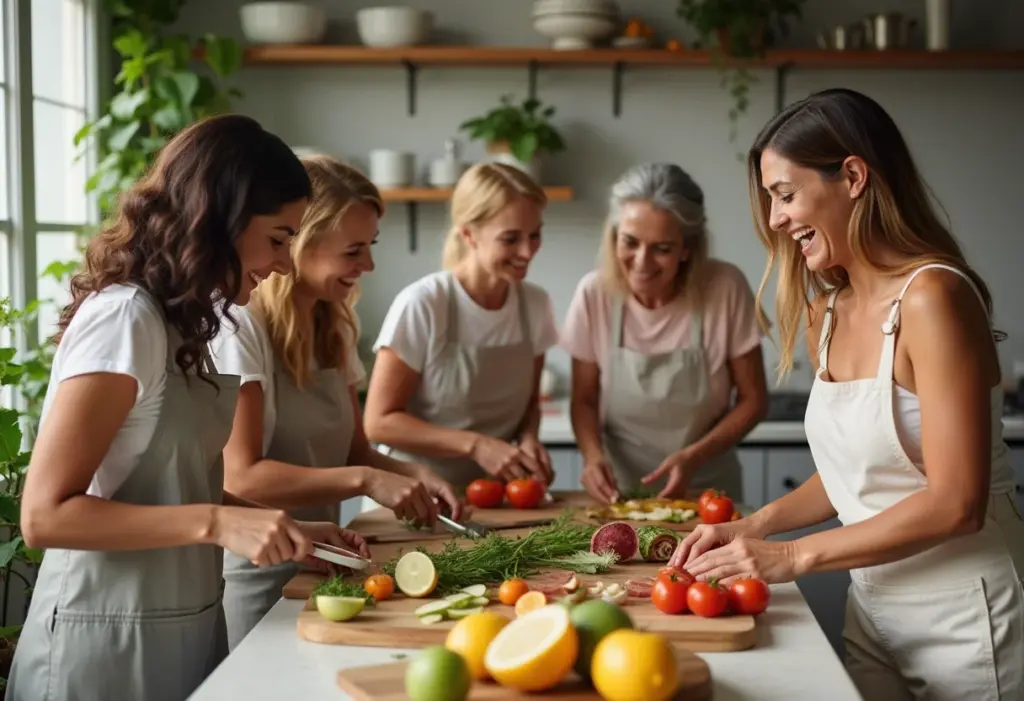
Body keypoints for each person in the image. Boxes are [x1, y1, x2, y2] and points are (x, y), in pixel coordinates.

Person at [669, 88, 1024, 701]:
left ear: (853, 177)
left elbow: (957, 503)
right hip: (873, 612)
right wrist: (753, 528)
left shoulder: (933, 297)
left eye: (785, 195)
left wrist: (793, 558)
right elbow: (854, 476)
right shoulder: (827, 311)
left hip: (969, 620)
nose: (776, 220)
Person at [7, 116, 365, 701]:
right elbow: (45, 518)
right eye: (277, 238)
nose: (282, 263)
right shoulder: (124, 317)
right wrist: (221, 523)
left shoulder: (183, 321)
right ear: (218, 219)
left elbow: (166, 485)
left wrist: (284, 529)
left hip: (185, 627)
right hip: (101, 646)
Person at [211, 154, 459, 650]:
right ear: (301, 241)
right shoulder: (241, 329)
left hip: (328, 565)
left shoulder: (334, 325)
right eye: (353, 251)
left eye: (370, 247)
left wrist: (415, 473)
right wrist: (367, 480)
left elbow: (355, 452)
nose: (367, 265)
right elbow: (243, 476)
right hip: (259, 581)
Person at [560, 163, 768, 504]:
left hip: (708, 490)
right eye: (630, 242)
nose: (642, 262)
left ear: (687, 248)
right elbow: (583, 398)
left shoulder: (725, 288)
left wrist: (695, 456)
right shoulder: (594, 293)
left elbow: (754, 400)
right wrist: (592, 457)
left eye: (662, 248)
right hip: (620, 491)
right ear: (614, 236)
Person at [363, 163, 558, 493]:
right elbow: (379, 423)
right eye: (510, 239)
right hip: (417, 495)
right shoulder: (424, 304)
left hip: (495, 495)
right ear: (469, 234)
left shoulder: (535, 305)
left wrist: (528, 440)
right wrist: (477, 445)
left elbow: (529, 405)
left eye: (535, 235)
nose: (527, 251)